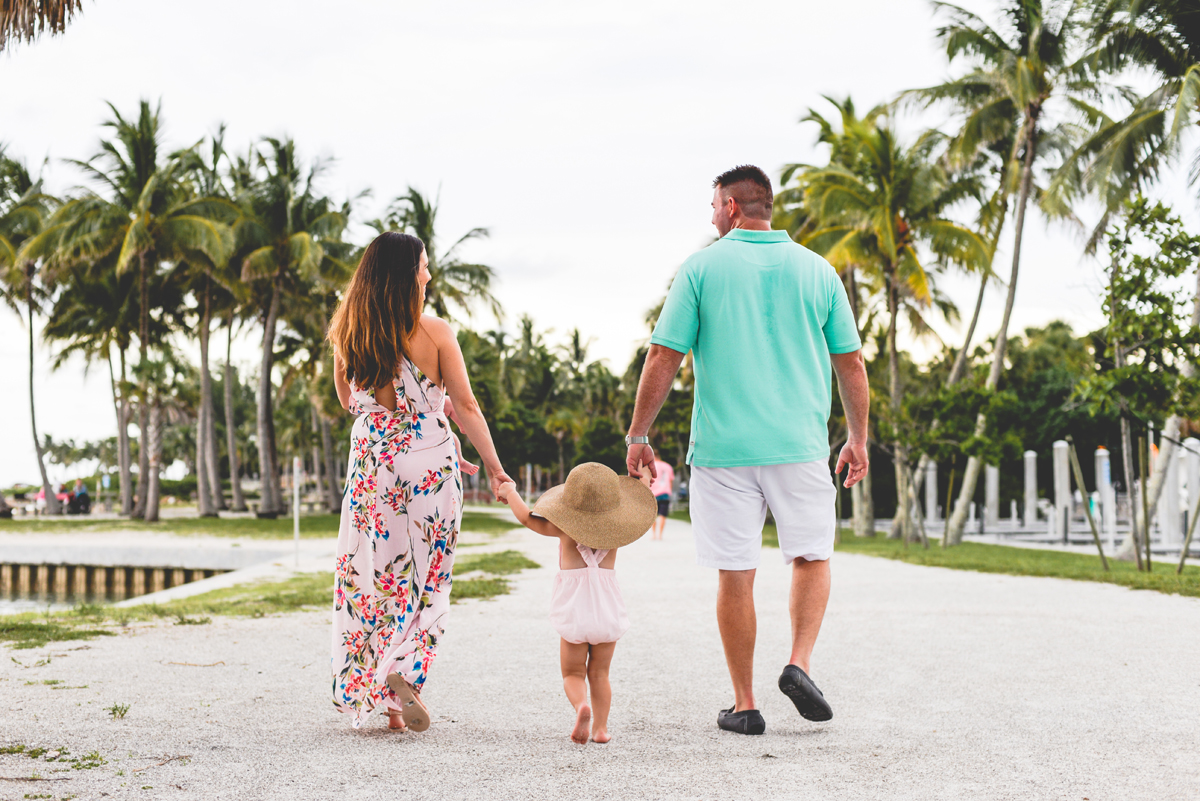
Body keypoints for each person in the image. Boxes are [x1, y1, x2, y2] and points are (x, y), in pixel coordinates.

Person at [625, 165, 870, 736]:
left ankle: (745, 704)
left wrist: (639, 435)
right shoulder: (818, 270)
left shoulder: (701, 268)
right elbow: (850, 363)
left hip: (723, 451)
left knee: (736, 572)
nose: (710, 216)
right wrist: (857, 439)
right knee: (811, 555)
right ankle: (799, 664)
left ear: (732, 206)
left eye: (713, 205)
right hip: (800, 446)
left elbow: (664, 356)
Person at [328, 231, 512, 732]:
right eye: (423, 267)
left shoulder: (347, 332)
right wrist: (495, 468)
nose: (428, 275)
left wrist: (422, 406)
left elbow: (352, 403)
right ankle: (403, 670)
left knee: (373, 575)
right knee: (430, 576)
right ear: (406, 275)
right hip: (427, 462)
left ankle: (378, 691)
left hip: (371, 463)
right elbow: (469, 406)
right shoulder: (433, 332)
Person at [497, 462, 656, 744]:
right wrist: (642, 479)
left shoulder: (561, 528)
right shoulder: (618, 531)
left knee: (572, 672)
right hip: (607, 611)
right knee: (600, 673)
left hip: (574, 611)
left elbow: (526, 518)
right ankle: (602, 729)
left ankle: (581, 706)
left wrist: (510, 492)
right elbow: (643, 504)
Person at [648, 457, 674, 540]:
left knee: (653, 515)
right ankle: (660, 535)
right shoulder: (668, 466)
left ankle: (654, 534)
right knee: (662, 514)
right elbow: (670, 480)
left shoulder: (650, 466)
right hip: (665, 493)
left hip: (653, 493)